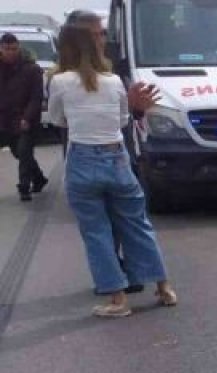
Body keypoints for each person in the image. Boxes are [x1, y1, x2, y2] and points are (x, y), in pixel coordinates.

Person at [48, 23, 176, 318]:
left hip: (82, 157)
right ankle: (163, 287)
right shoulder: (114, 80)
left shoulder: (59, 81)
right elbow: (122, 120)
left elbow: (57, 118)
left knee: (96, 232)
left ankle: (117, 299)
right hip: (116, 156)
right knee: (137, 224)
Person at [0, 33, 49, 202]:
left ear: (18, 48)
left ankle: (24, 187)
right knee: (18, 152)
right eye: (6, 49)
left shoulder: (31, 69)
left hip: (25, 119)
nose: (10, 52)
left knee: (23, 151)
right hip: (4, 119)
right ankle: (39, 178)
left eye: (13, 49)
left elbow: (36, 97)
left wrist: (27, 117)